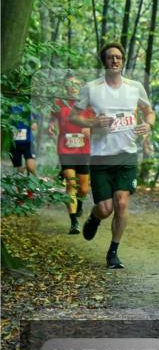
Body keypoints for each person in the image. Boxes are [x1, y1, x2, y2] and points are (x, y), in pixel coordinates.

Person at [72, 42, 154, 269]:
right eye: (110, 57)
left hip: (127, 154)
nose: (115, 60)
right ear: (104, 62)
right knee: (105, 208)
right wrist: (94, 122)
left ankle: (113, 252)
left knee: (121, 202)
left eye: (118, 57)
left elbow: (149, 111)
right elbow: (74, 117)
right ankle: (94, 217)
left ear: (123, 61)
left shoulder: (135, 87)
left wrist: (148, 124)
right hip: (100, 156)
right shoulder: (91, 88)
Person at [49, 79, 92, 234]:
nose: (73, 88)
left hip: (83, 149)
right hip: (65, 148)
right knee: (70, 183)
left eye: (76, 85)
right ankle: (74, 221)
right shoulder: (59, 103)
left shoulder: (87, 104)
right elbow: (53, 117)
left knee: (84, 189)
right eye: (69, 85)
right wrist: (51, 125)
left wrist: (90, 127)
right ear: (65, 87)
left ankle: (79, 204)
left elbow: (96, 121)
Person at [7, 102, 38, 176]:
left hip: (28, 141)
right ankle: (22, 180)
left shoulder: (30, 104)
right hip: (14, 143)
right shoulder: (10, 105)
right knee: (19, 169)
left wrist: (35, 123)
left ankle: (36, 179)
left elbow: (36, 119)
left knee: (30, 167)